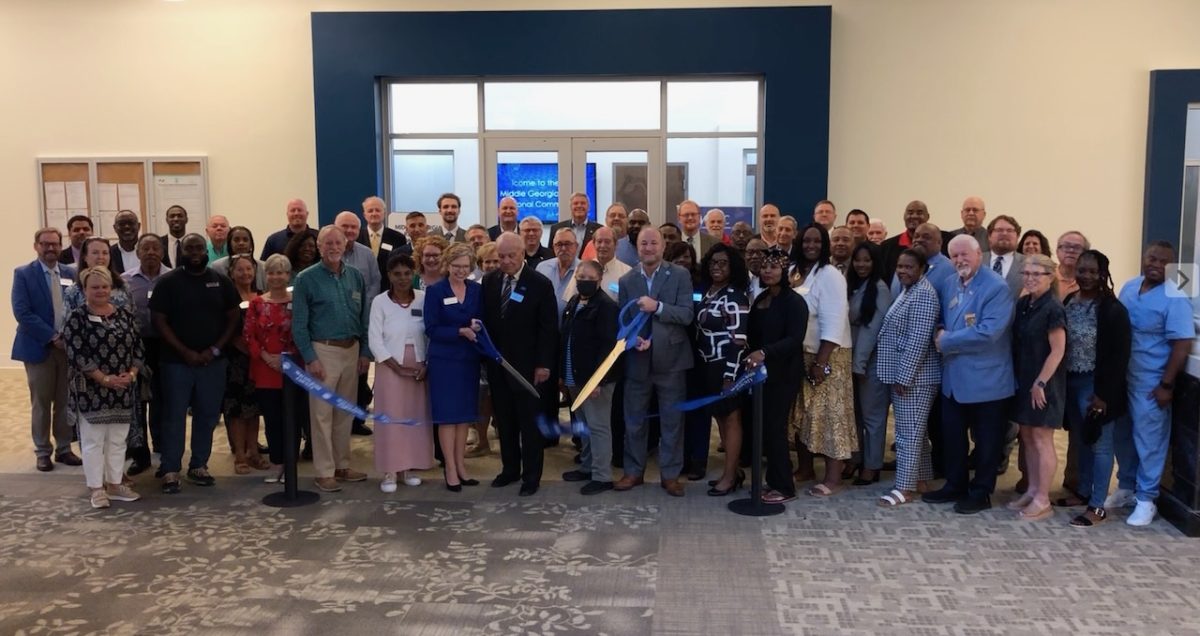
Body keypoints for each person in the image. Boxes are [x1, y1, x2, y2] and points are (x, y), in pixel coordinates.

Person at [923, 234, 1016, 514]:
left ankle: (981, 492)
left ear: (979, 254)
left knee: (987, 443)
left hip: (987, 381)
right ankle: (955, 484)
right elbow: (941, 316)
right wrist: (940, 330)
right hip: (954, 379)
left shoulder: (996, 288)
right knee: (953, 437)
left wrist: (946, 341)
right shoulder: (950, 282)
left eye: (965, 254)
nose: (960, 260)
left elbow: (988, 332)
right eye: (954, 256)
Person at [1110, 241, 1195, 526]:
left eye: (1163, 262)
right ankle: (1126, 487)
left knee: (1150, 441)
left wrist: (1166, 385)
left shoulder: (1176, 296)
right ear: (1144, 259)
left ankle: (1146, 500)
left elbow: (1182, 343)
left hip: (1152, 381)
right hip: (1123, 376)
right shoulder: (1130, 287)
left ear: (1171, 266)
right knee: (1122, 436)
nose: (1156, 265)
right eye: (1152, 259)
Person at [150, 233, 240, 494]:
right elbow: (159, 320)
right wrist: (185, 351)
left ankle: (199, 465)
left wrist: (215, 349)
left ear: (205, 250)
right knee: (174, 416)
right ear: (182, 252)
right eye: (189, 248)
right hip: (176, 363)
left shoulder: (220, 281)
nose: (195, 252)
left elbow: (233, 317)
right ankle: (170, 469)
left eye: (199, 247)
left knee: (208, 415)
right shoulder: (168, 282)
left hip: (213, 363)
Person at [291, 226, 372, 493]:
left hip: (352, 349)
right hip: (322, 352)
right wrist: (310, 358)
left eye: (338, 242)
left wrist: (364, 352)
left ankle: (342, 465)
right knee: (322, 415)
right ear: (319, 246)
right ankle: (324, 471)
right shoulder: (306, 279)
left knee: (344, 413)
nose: (334, 247)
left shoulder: (356, 277)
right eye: (328, 243)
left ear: (346, 244)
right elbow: (299, 325)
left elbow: (363, 317)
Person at [615, 227, 695, 497]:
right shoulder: (627, 280)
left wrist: (657, 307)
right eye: (643, 243)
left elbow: (686, 314)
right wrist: (634, 339)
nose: (648, 248)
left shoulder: (680, 275)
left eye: (653, 243)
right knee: (634, 419)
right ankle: (633, 472)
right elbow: (625, 320)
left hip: (672, 362)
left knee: (672, 422)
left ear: (662, 247)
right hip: (637, 361)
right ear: (637, 247)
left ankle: (670, 475)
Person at [482, 233, 558, 497]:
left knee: (529, 425)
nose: (505, 261)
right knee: (505, 421)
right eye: (500, 257)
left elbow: (548, 329)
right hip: (498, 366)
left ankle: (531, 477)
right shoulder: (490, 281)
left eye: (510, 256)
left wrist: (544, 364)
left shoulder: (539, 283)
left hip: (529, 369)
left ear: (522, 253)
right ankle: (510, 469)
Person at [62, 267, 144, 508]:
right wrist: (103, 379)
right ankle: (96, 488)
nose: (100, 291)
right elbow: (76, 352)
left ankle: (115, 483)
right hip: (91, 390)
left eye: (104, 286)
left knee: (118, 440)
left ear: (111, 288)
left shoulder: (125, 315)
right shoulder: (77, 317)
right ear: (85, 290)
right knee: (93, 441)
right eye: (94, 287)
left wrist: (131, 374)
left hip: (122, 389)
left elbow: (138, 348)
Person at [1059, 250, 1130, 527]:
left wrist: (1104, 396)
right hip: (1072, 381)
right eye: (1082, 270)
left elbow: (1119, 357)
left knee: (1101, 445)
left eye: (1092, 271)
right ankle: (1083, 491)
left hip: (1097, 385)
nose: (1086, 276)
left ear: (1103, 274)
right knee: (1082, 439)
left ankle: (1097, 505)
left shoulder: (1112, 309)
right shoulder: (1069, 302)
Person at [788, 223, 856, 497]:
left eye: (817, 241)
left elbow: (834, 320)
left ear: (824, 244)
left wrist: (821, 360)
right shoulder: (794, 273)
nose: (811, 245)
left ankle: (833, 477)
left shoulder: (830, 275)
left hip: (828, 355)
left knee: (830, 416)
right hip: (800, 354)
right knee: (802, 416)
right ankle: (805, 469)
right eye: (806, 240)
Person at [875, 249, 941, 507]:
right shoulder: (909, 290)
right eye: (899, 266)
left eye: (909, 267)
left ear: (922, 268)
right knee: (917, 433)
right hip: (907, 375)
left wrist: (904, 377)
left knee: (907, 435)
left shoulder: (924, 294)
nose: (902, 271)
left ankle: (904, 488)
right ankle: (921, 479)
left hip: (916, 378)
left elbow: (918, 341)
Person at [12, 228, 80, 472]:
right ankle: (42, 451)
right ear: (36, 246)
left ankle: (64, 449)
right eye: (45, 244)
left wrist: (70, 337)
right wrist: (52, 337)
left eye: (55, 244)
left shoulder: (71, 273)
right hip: (39, 347)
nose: (50, 248)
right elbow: (22, 312)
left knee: (64, 402)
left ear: (61, 246)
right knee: (41, 402)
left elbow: (76, 307)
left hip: (67, 349)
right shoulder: (23, 274)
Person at [1005, 254, 1067, 521]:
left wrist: (1040, 382)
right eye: (1026, 273)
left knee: (1042, 439)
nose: (1029, 278)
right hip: (1024, 379)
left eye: (1036, 274)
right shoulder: (1024, 304)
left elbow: (1058, 350)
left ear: (1050, 276)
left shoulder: (1053, 307)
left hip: (1045, 383)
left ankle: (1043, 499)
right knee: (1028, 436)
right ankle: (1032, 489)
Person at [743, 248, 808, 504]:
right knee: (763, 428)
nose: (768, 271)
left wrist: (765, 352)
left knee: (775, 428)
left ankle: (785, 486)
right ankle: (770, 481)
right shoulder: (760, 299)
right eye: (765, 267)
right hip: (762, 376)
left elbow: (795, 339)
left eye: (774, 267)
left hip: (785, 374)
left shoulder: (794, 302)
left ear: (785, 271)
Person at [370, 252, 434, 492]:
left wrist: (426, 363)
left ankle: (409, 467)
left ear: (414, 274)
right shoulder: (379, 302)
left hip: (418, 367)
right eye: (397, 274)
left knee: (414, 418)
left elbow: (430, 333)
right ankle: (389, 471)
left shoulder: (423, 298)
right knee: (391, 419)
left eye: (407, 273)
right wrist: (396, 367)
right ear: (389, 276)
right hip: (390, 367)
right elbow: (374, 339)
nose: (402, 278)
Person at [423, 243, 483, 491]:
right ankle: (449, 468)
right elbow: (431, 328)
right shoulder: (436, 291)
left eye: (465, 267)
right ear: (447, 265)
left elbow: (482, 317)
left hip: (468, 360)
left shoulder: (476, 290)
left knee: (463, 418)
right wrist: (459, 331)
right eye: (456, 266)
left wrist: (478, 326)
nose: (460, 271)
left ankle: (461, 466)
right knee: (447, 417)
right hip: (444, 361)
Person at [559, 260, 620, 495]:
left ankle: (602, 476)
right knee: (583, 425)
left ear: (600, 279)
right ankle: (587, 467)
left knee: (598, 426)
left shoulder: (606, 306)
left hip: (596, 380)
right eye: (580, 276)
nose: (583, 281)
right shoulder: (575, 302)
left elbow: (608, 348)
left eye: (589, 277)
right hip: (574, 374)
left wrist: (598, 381)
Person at [695, 244, 750, 495]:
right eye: (713, 262)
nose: (717, 267)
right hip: (707, 365)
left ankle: (729, 477)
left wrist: (730, 376)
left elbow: (739, 340)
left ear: (733, 267)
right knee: (720, 419)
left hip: (727, 366)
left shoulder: (735, 295)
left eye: (723, 263)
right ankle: (733, 470)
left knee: (731, 419)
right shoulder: (708, 292)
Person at [245, 254, 304, 484]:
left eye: (281, 272)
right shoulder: (257, 303)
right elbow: (249, 335)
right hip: (266, 369)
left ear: (288, 275)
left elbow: (302, 331)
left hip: (294, 368)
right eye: (271, 272)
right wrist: (268, 358)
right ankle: (278, 463)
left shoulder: (297, 302)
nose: (276, 277)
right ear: (265, 275)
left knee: (294, 418)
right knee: (272, 418)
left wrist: (287, 360)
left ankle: (291, 464)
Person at [123, 234, 170, 475]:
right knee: (138, 403)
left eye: (155, 248)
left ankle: (163, 452)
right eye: (146, 248)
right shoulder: (125, 280)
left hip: (166, 346)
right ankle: (140, 455)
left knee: (163, 400)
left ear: (162, 252)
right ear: (138, 253)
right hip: (135, 348)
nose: (151, 252)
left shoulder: (173, 277)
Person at [846, 241, 892, 485]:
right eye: (858, 260)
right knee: (855, 416)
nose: (861, 264)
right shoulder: (854, 285)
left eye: (867, 260)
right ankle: (856, 458)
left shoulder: (879, 289)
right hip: (853, 361)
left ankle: (872, 466)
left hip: (870, 363)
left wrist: (859, 364)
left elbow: (871, 330)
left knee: (872, 417)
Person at [335, 211, 384, 437]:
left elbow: (375, 281)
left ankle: (357, 419)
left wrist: (365, 303)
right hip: (335, 321)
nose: (349, 231)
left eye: (353, 227)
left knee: (361, 373)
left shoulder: (366, 254)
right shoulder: (328, 251)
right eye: (345, 226)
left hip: (362, 318)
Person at [223, 254, 269, 474]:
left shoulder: (261, 296)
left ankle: (254, 451)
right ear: (232, 273)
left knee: (254, 409)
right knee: (237, 411)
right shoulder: (226, 297)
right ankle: (239, 455)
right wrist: (240, 345)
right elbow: (224, 327)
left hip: (257, 359)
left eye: (249, 269)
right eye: (240, 270)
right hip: (235, 360)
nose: (245, 273)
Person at [467, 242, 501, 458]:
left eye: (496, 260)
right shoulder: (473, 287)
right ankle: (482, 442)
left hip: (503, 351)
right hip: (479, 353)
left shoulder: (509, 285)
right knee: (482, 399)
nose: (492, 265)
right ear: (480, 264)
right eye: (487, 261)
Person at [64, 237, 133, 313]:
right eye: (95, 253)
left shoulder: (123, 286)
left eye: (105, 253)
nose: (100, 257)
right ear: (85, 257)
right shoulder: (73, 292)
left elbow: (133, 317)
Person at [890, 223, 953, 297]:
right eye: (916, 236)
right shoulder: (904, 264)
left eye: (926, 237)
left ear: (939, 242)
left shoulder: (950, 269)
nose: (919, 240)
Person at [357, 195, 407, 286]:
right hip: (362, 288)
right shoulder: (357, 237)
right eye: (370, 211)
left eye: (378, 210)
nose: (374, 213)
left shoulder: (398, 238)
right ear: (364, 215)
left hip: (390, 288)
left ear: (384, 213)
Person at [880, 200, 930, 281]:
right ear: (904, 216)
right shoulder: (886, 247)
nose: (914, 216)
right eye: (910, 213)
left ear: (928, 216)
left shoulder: (942, 241)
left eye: (919, 213)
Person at [535, 228, 579, 318]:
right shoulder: (542, 268)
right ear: (553, 247)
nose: (563, 248)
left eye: (567, 244)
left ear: (576, 246)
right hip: (546, 327)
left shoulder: (584, 270)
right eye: (559, 244)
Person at [210, 226, 266, 291]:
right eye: (236, 240)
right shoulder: (218, 266)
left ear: (251, 244)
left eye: (245, 240)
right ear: (229, 243)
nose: (241, 243)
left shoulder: (263, 266)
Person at [982, 215, 1024, 297]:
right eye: (999, 230)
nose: (1004, 234)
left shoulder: (1028, 264)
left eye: (1009, 230)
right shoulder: (977, 261)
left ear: (1018, 236)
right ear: (989, 236)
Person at [550, 192, 602, 257]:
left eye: (583, 203)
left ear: (588, 207)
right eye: (575, 203)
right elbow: (551, 254)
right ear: (570, 207)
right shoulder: (556, 228)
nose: (579, 206)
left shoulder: (599, 230)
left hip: (588, 266)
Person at [1054, 231, 1089, 301]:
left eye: (1077, 247)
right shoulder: (1045, 276)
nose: (1071, 250)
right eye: (1066, 246)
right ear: (1057, 251)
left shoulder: (1090, 281)